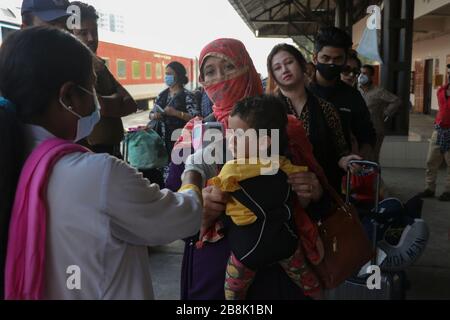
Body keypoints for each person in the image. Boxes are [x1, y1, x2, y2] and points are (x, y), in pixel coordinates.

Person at [0, 27, 202, 300]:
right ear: (68, 96)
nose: (96, 101)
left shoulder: (13, 157)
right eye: (92, 88)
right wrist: (193, 173)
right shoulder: (98, 175)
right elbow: (182, 218)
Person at [168, 38, 326, 300]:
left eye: (229, 67)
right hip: (214, 278)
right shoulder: (194, 134)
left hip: (279, 271)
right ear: (202, 80)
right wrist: (196, 209)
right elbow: (169, 209)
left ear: (248, 67)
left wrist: (314, 192)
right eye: (210, 71)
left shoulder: (286, 127)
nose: (221, 78)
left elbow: (321, 199)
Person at [206, 96, 324, 300]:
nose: (230, 141)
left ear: (264, 142)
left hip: (247, 250)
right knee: (306, 279)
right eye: (230, 133)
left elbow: (218, 194)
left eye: (238, 136)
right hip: (285, 243)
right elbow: (299, 190)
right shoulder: (282, 163)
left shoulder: (231, 168)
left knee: (233, 291)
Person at [267, 43, 360, 192]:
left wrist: (345, 160)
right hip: (282, 192)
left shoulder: (326, 108)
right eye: (277, 67)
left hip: (323, 189)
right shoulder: (267, 111)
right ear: (273, 75)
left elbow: (340, 151)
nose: (284, 70)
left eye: (289, 62)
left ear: (302, 64)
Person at [71, 2, 137, 158]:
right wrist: (116, 98)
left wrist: (102, 102)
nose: (91, 38)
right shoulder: (71, 70)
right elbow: (101, 106)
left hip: (112, 152)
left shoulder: (100, 66)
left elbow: (131, 104)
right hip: (93, 155)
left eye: (94, 31)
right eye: (83, 32)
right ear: (69, 34)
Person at [308, 27, 377, 161]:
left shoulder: (352, 96)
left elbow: (367, 134)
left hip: (341, 174)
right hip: (301, 174)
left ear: (345, 60)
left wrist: (358, 159)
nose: (331, 64)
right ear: (315, 58)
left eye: (337, 59)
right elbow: (274, 135)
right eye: (326, 58)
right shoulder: (300, 93)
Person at [149, 61, 201, 155]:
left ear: (178, 75)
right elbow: (151, 114)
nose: (166, 77)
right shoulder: (162, 95)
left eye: (169, 74)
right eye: (165, 74)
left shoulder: (187, 96)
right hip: (161, 142)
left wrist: (176, 113)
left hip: (180, 141)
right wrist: (154, 115)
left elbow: (196, 118)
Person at [418, 65, 450, 202]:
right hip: (438, 130)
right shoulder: (442, 90)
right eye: (449, 72)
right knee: (431, 161)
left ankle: (448, 191)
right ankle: (429, 188)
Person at [359, 65, 402, 162]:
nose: (361, 75)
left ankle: (375, 176)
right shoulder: (356, 90)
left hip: (376, 129)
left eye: (365, 73)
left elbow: (396, 101)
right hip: (360, 130)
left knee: (373, 158)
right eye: (360, 73)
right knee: (360, 157)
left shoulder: (379, 91)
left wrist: (386, 113)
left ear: (371, 76)